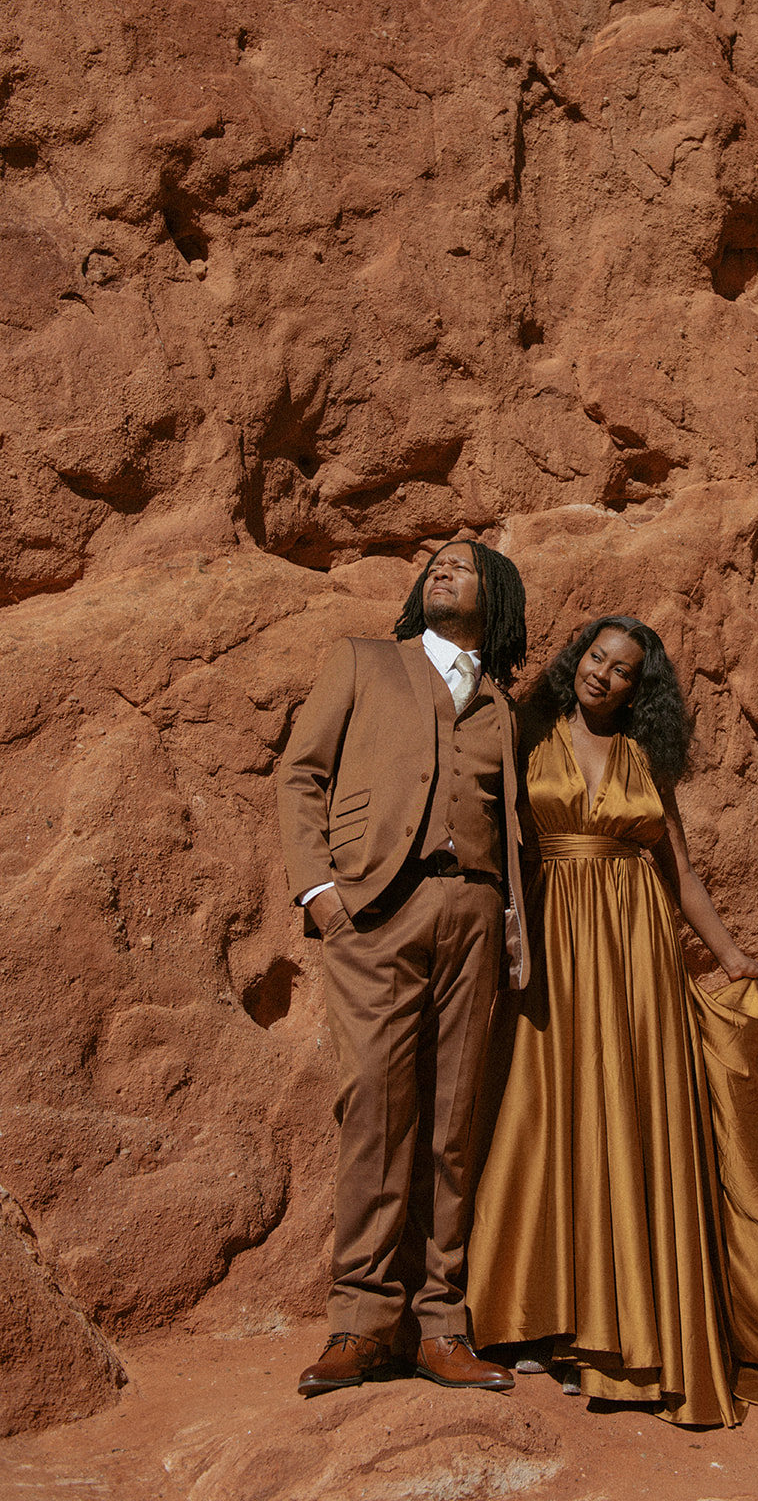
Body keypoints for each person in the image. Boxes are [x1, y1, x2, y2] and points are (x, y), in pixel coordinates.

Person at [466, 615, 758, 1425]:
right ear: (576, 662)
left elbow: (683, 876)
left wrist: (733, 955)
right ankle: (533, 1319)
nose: (605, 675)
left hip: (636, 956)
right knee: (547, 1124)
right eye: (597, 659)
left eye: (625, 671)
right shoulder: (529, 734)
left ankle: (609, 1334)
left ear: (643, 690)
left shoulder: (645, 759)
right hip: (554, 947)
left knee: (626, 1129)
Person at [277, 539, 529, 1397]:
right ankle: (361, 1323)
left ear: (494, 598)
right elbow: (300, 774)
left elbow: (516, 827)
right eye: (434, 563)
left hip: (473, 920)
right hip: (375, 913)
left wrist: (510, 924)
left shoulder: (501, 706)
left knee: (452, 1123)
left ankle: (440, 1325)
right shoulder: (363, 663)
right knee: (376, 1111)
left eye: (460, 564)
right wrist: (320, 892)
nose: (439, 570)